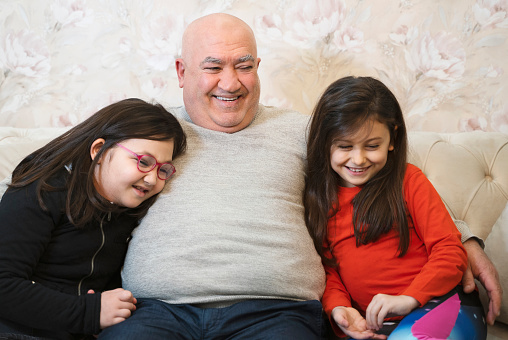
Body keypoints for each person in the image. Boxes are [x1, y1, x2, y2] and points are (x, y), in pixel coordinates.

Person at [98, 13, 502, 340]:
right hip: (158, 311)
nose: (230, 82)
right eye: (213, 67)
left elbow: (385, 175)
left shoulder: (305, 131)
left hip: (274, 311)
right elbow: (88, 180)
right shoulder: (151, 133)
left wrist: (465, 238)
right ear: (182, 71)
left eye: (243, 65)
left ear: (258, 67)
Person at [303, 76, 487, 339]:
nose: (358, 159)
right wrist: (339, 308)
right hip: (373, 322)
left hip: (440, 303)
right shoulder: (320, 200)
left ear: (392, 139)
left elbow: (449, 251)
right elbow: (328, 271)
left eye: (372, 146)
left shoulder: (409, 180)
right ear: (325, 144)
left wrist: (409, 298)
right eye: (345, 146)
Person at [0, 98, 187, 340]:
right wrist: (90, 312)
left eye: (163, 169)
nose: (152, 179)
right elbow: (3, 285)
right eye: (143, 162)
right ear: (98, 150)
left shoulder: (127, 210)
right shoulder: (42, 191)